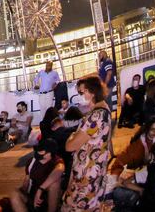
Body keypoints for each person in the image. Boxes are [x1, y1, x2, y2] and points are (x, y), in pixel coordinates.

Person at [61, 76, 112, 211]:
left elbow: (69, 146)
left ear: (93, 92)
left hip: (85, 176)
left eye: (82, 92)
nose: (79, 96)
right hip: (95, 173)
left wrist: (71, 135)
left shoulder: (95, 117)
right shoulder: (104, 110)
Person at [112, 139, 155, 211]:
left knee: (117, 192)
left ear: (152, 154)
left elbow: (126, 183)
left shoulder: (150, 169)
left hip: (147, 203)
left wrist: (140, 189)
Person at [10, 138, 64, 212]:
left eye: (40, 150)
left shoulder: (56, 161)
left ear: (49, 153)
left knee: (55, 184)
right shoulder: (31, 161)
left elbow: (60, 169)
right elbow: (26, 181)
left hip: (48, 200)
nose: (37, 152)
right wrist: (20, 194)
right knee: (14, 193)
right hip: (33, 197)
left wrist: (41, 189)